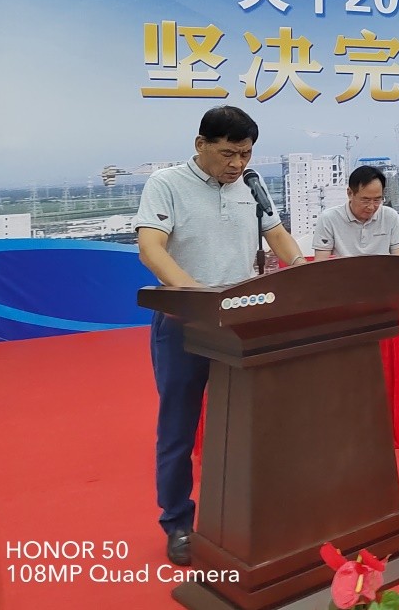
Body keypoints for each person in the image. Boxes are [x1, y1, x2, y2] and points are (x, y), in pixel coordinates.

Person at [135, 106, 305, 567]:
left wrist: (304, 271)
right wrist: (196, 297)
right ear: (201, 145)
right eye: (228, 153)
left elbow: (278, 235)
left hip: (241, 321)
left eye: (245, 154)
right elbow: (151, 248)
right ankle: (177, 522)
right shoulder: (167, 184)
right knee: (179, 427)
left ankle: (255, 509)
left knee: (252, 420)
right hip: (185, 323)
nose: (237, 164)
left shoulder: (251, 184)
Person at [312, 165, 399, 259]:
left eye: (377, 200)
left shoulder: (390, 217)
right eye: (365, 200)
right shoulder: (329, 219)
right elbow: (321, 263)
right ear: (350, 193)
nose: (371, 207)